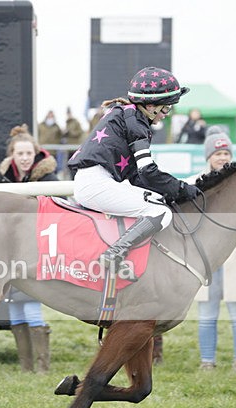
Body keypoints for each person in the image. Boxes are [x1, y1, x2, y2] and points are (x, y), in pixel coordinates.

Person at [68, 66, 199, 274]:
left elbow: (137, 177)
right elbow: (147, 171)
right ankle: (114, 255)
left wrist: (169, 191)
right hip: (96, 184)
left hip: (95, 181)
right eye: (165, 108)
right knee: (161, 212)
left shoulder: (128, 116)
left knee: (159, 201)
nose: (166, 114)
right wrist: (182, 188)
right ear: (150, 105)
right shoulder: (135, 122)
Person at [191, 126, 236, 372]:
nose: (222, 157)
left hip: (235, 256)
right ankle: (207, 362)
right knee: (207, 314)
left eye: (225, 153)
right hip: (207, 260)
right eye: (217, 153)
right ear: (208, 156)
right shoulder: (195, 183)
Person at [0, 124, 57, 372]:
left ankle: (42, 367)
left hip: (37, 247)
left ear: (36, 154)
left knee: (32, 304)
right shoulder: (5, 178)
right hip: (10, 248)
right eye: (19, 154)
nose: (24, 158)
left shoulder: (50, 180)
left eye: (28, 154)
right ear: (12, 155)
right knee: (14, 305)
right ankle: (26, 367)